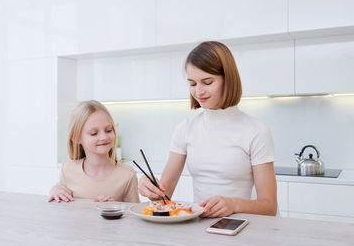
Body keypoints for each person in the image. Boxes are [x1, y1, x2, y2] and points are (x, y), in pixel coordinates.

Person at [138, 41, 277, 217]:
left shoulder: (256, 131)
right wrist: (149, 188)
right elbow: (163, 198)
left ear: (228, 79)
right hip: (200, 228)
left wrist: (233, 204)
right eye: (192, 84)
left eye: (207, 82)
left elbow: (269, 206)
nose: (198, 92)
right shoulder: (185, 129)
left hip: (239, 228)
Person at [48, 100, 140, 203]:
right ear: (76, 138)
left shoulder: (127, 175)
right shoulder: (68, 169)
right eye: (94, 133)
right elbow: (62, 207)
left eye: (108, 130)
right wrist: (55, 190)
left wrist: (112, 211)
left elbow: (133, 215)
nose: (104, 137)